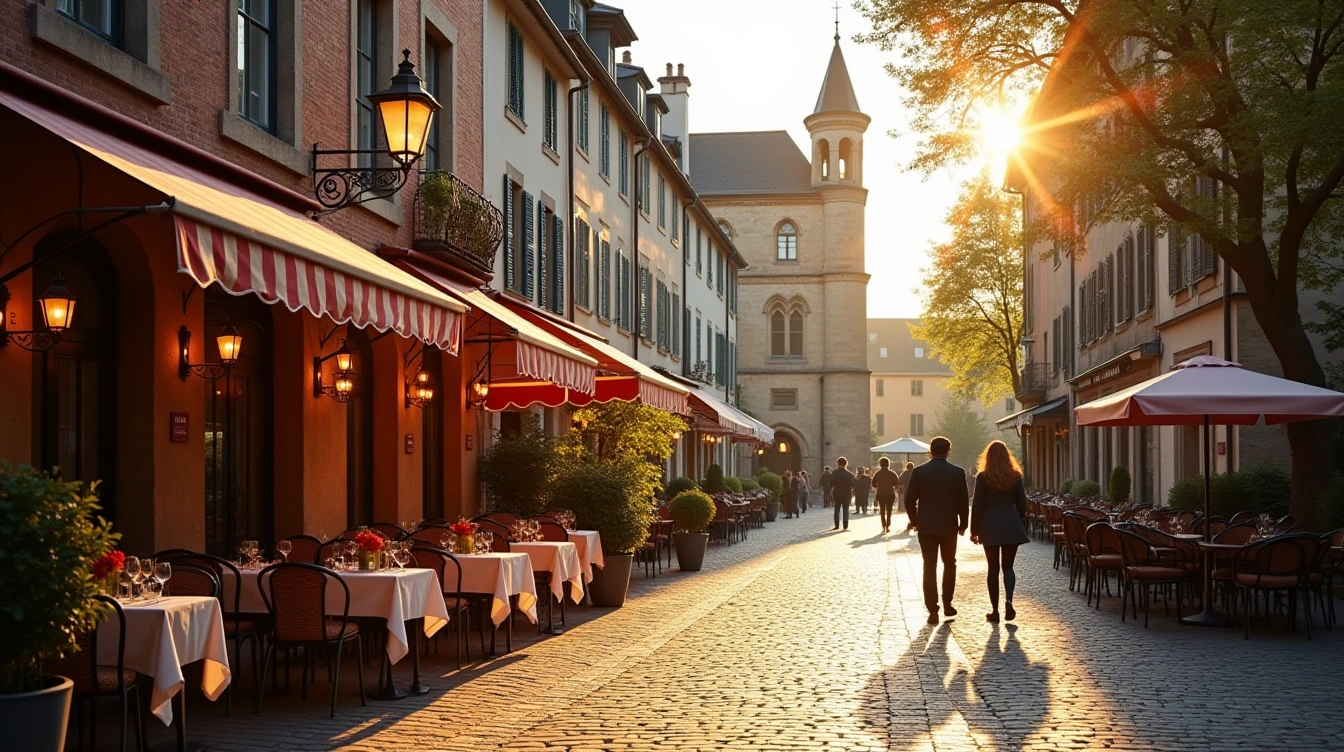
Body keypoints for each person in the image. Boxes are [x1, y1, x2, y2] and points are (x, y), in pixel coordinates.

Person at [905, 436, 969, 625]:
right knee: (950, 563)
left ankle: (932, 609)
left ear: (930, 451)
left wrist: (914, 520)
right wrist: (963, 523)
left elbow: (909, 500)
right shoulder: (957, 473)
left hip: (926, 526)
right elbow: (963, 501)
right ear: (948, 450)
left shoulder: (919, 472)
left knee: (929, 566)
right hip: (949, 525)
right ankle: (948, 603)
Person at [970, 441, 1030, 623]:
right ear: (1007, 456)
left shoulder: (983, 477)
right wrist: (1016, 519)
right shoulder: (1015, 476)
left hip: (990, 525)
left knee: (993, 569)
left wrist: (974, 530)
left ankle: (994, 610)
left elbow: (978, 505)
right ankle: (1009, 601)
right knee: (1008, 567)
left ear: (988, 458)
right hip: (1010, 524)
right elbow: (1022, 504)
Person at [871, 457, 901, 533]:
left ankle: (883, 525)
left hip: (880, 493)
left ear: (880, 464)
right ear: (888, 464)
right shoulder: (892, 473)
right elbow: (896, 484)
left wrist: (879, 485)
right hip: (890, 493)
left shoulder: (877, 473)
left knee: (882, 510)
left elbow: (873, 484)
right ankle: (888, 524)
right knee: (889, 510)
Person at [829, 457, 854, 530]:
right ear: (846, 464)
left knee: (837, 509)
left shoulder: (834, 473)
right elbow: (852, 485)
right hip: (846, 493)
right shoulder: (850, 474)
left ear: (837, 464)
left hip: (837, 493)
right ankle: (845, 524)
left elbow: (831, 483)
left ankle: (836, 524)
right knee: (846, 509)